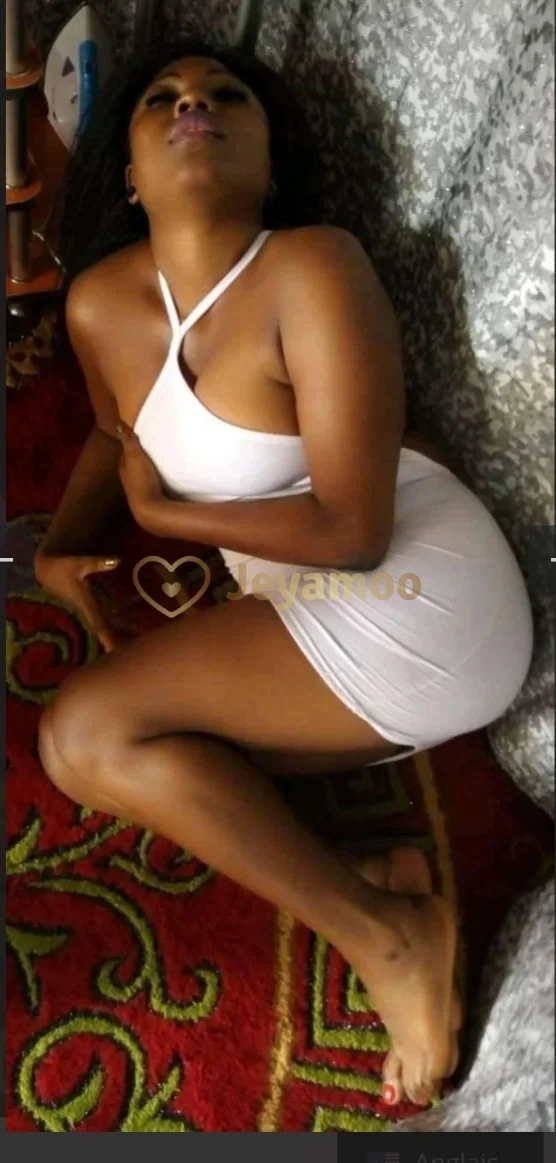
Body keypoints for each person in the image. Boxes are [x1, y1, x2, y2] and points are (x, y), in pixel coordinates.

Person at [34, 37, 533, 1108]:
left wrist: (162, 514)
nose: (193, 102)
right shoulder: (99, 304)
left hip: (419, 589)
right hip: (295, 596)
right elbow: (116, 435)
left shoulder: (312, 266)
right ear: (130, 175)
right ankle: (373, 877)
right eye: (162, 97)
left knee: (87, 733)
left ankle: (388, 932)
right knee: (152, 759)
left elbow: (355, 530)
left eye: (226, 94)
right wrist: (61, 540)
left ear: (266, 166)